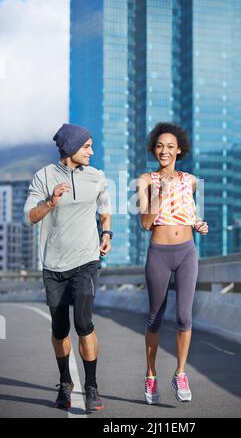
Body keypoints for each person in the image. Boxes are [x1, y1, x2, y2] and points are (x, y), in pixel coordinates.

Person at [23, 123, 112, 413]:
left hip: (86, 260)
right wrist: (50, 202)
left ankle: (91, 386)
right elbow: (30, 217)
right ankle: (64, 382)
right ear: (71, 148)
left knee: (84, 323)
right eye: (86, 146)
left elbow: (104, 207)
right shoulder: (43, 176)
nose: (92, 151)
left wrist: (107, 233)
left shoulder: (96, 176)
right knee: (60, 329)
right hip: (54, 265)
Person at [138, 122, 208, 405]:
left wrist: (200, 224)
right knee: (155, 316)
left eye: (170, 146)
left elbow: (191, 215)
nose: (164, 151)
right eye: (159, 146)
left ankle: (180, 372)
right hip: (159, 253)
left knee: (184, 316)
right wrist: (160, 191)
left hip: (187, 251)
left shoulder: (191, 181)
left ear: (179, 150)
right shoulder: (146, 180)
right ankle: (151, 373)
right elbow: (145, 223)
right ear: (154, 149)